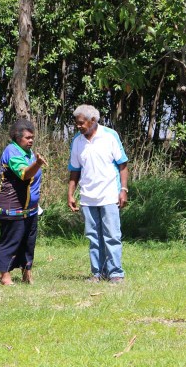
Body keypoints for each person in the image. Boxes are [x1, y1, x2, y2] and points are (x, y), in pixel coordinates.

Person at [67, 105, 129, 284]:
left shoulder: (110, 136)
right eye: (76, 123)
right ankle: (98, 273)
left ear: (93, 121)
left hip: (109, 195)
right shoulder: (77, 142)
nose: (78, 126)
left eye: (81, 123)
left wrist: (123, 189)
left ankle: (116, 273)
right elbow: (74, 170)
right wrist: (71, 194)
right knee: (94, 237)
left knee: (112, 235)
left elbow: (122, 165)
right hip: (87, 197)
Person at [0, 119, 47, 286]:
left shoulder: (28, 153)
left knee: (28, 241)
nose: (31, 140)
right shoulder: (12, 152)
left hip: (29, 208)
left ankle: (27, 274)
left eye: (32, 137)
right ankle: (5, 276)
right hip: (12, 205)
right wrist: (37, 164)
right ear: (17, 138)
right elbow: (24, 174)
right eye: (27, 138)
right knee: (11, 241)